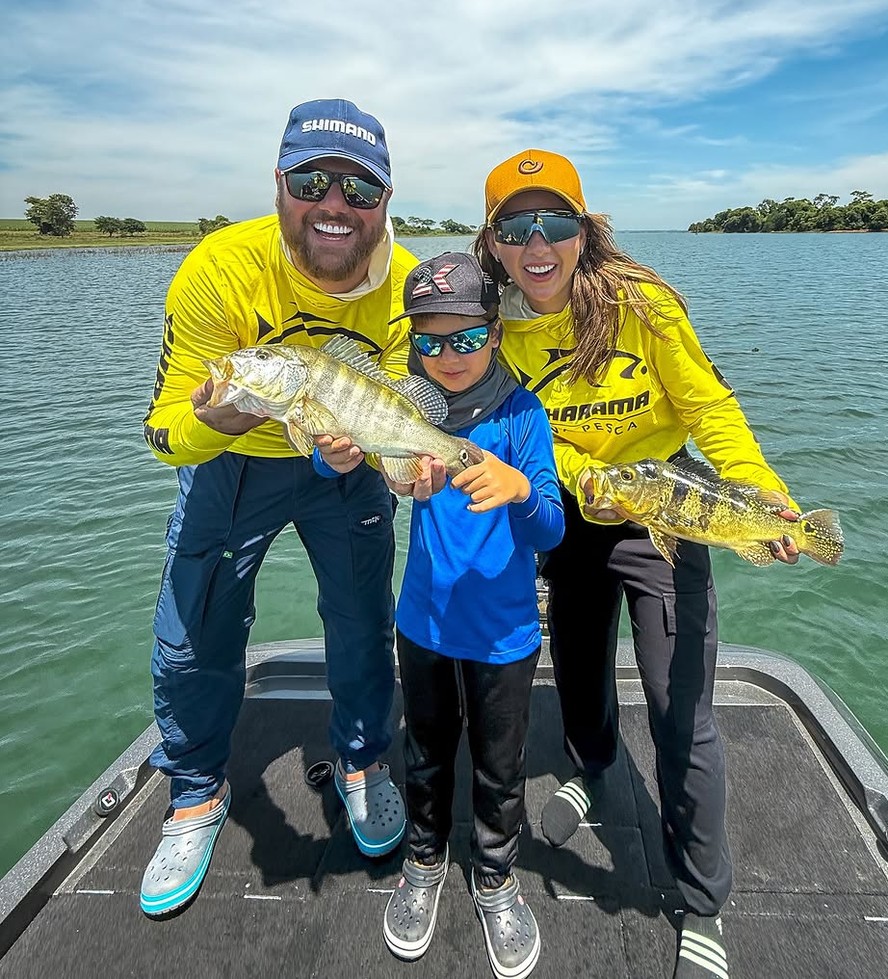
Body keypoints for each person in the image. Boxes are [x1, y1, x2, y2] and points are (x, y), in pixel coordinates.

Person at [473, 149, 802, 979]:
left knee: (679, 706)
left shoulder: (642, 304)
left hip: (667, 512)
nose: (537, 243)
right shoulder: (495, 328)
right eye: (516, 226)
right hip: (573, 516)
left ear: (585, 231)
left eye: (556, 222)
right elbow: (514, 432)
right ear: (494, 242)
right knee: (579, 670)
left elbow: (709, 406)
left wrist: (760, 488)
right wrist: (586, 478)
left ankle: (702, 900)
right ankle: (594, 767)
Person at [139, 98, 419, 918]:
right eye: (311, 182)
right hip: (232, 462)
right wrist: (219, 420)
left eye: (359, 189)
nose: (335, 203)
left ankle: (362, 758)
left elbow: (399, 414)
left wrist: (373, 455)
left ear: (384, 201)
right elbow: (164, 431)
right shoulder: (219, 269)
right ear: (279, 185)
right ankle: (196, 789)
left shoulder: (406, 284)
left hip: (346, 462)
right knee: (195, 629)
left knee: (363, 617)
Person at [313, 252, 564, 979]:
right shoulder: (401, 410)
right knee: (422, 755)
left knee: (500, 767)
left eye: (467, 338)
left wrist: (520, 488)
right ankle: (423, 861)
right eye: (428, 340)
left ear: (495, 333)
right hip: (421, 622)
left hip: (506, 632)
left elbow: (552, 528)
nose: (448, 355)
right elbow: (342, 461)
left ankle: (496, 875)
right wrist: (336, 454)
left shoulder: (523, 415)